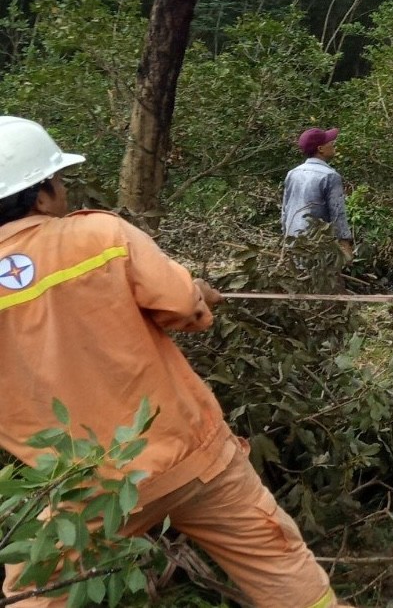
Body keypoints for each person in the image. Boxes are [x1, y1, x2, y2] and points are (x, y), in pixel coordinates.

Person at [0, 117, 350, 608]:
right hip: (192, 458)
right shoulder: (99, 236)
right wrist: (197, 291)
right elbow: (182, 307)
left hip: (80, 492)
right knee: (279, 566)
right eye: (59, 183)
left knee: (33, 596)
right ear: (39, 195)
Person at [281, 126, 353, 260]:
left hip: (293, 243)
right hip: (317, 245)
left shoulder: (292, 173)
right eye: (330, 142)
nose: (333, 144)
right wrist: (345, 245)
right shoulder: (330, 176)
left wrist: (285, 239)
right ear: (320, 149)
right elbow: (338, 214)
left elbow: (285, 210)